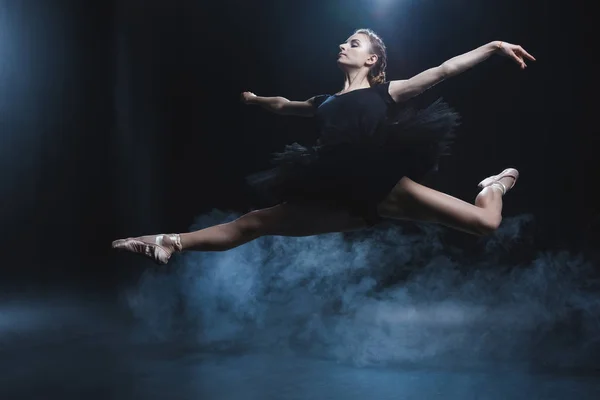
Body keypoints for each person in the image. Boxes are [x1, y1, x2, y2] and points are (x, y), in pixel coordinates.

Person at [112, 28, 535, 265]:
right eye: (344, 42)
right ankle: (170, 241)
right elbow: (285, 105)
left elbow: (442, 70)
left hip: (382, 182)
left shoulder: (386, 93)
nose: (342, 45)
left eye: (353, 43)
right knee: (255, 223)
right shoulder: (324, 103)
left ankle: (493, 187)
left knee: (486, 225)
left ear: (371, 61)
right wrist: (256, 100)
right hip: (341, 194)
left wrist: (494, 47)